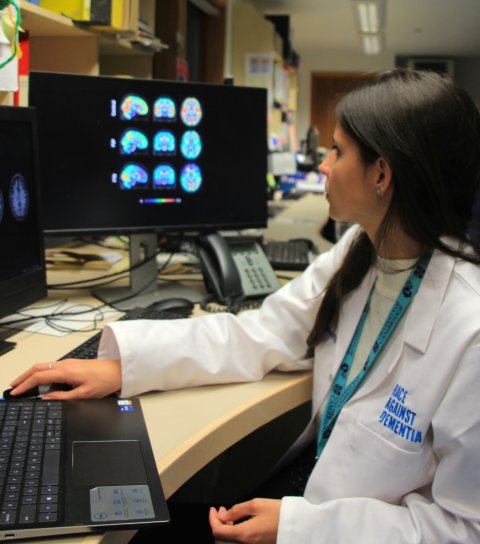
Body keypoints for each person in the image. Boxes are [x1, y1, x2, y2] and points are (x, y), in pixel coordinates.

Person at [10, 69, 480, 543]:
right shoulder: (363, 251)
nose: (323, 165)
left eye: (337, 151)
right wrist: (125, 366)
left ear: (382, 174)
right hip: (307, 495)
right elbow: (263, 333)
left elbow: (463, 528)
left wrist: (302, 529)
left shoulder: (469, 330)